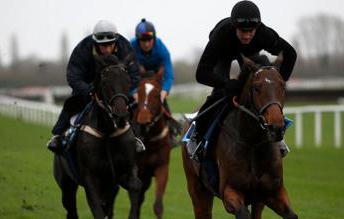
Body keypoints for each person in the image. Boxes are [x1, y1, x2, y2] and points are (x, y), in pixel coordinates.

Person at [188, 0, 297, 159]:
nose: (247, 35)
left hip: (249, 55)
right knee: (221, 93)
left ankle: (276, 134)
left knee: (264, 88)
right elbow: (201, 73)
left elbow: (291, 54)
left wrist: (279, 83)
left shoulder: (264, 34)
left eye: (251, 31)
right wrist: (226, 83)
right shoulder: (221, 35)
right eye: (242, 31)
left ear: (257, 28)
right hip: (223, 53)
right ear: (234, 27)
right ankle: (197, 134)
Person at [47, 20, 141, 154]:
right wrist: (88, 90)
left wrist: (122, 90)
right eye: (103, 46)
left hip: (115, 89)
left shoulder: (125, 48)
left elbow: (135, 75)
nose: (107, 49)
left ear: (116, 42)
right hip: (87, 87)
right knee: (72, 103)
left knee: (134, 105)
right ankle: (58, 136)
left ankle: (136, 139)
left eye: (110, 45)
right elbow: (73, 76)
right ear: (96, 43)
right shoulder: (83, 49)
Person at [130, 18, 181, 146]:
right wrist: (134, 92)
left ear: (154, 38)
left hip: (155, 81)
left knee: (160, 102)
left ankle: (172, 133)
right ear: (137, 40)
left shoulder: (162, 50)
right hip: (137, 81)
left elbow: (168, 76)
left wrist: (163, 93)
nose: (146, 44)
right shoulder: (130, 48)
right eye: (143, 40)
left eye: (149, 40)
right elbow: (126, 74)